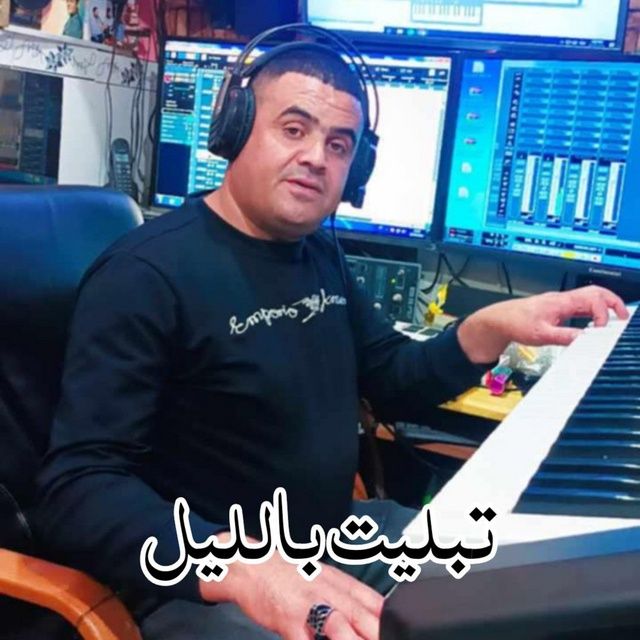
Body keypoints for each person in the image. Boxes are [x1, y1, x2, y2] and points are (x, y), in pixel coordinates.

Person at [35, 34, 627, 640]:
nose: (317, 157)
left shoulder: (317, 254)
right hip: (205, 584)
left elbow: (393, 381)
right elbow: (77, 491)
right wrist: (238, 567)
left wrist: (485, 330)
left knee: (529, 592)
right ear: (235, 130)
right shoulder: (144, 275)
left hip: (330, 540)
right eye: (294, 129)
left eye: (339, 145)